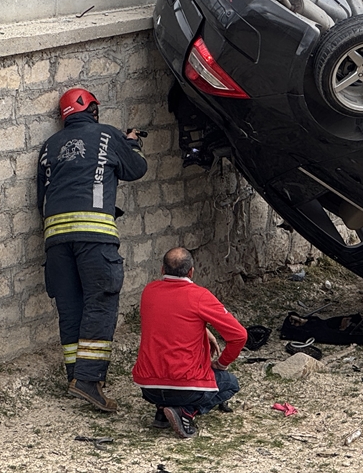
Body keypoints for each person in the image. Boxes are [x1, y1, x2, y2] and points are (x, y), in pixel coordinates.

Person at [37, 88, 147, 412]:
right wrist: (131, 143)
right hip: (95, 237)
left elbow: (39, 199)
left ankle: (76, 378)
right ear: (93, 110)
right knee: (100, 302)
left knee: (70, 308)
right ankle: (89, 379)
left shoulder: (48, 148)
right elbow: (136, 169)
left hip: (55, 239)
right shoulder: (108, 137)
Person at [132, 247, 248, 439]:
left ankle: (162, 410)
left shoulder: (149, 292)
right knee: (231, 384)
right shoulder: (200, 296)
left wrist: (203, 329)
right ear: (191, 271)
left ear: (162, 270)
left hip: (148, 388)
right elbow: (239, 335)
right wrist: (221, 364)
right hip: (187, 388)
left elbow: (172, 317)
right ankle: (185, 411)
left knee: (165, 383)